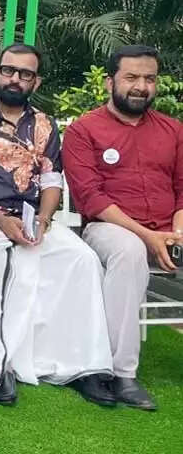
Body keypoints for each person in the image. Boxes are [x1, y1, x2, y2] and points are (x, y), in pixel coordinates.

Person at [0, 43, 114, 407]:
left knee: (82, 259)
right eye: (9, 70)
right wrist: (0, 220)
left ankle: (83, 365)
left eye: (25, 74)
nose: (15, 79)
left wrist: (43, 219)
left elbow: (52, 181)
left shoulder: (44, 124)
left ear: (35, 82)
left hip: (32, 217)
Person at [62, 44, 183, 411]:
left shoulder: (173, 130)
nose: (141, 87)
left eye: (149, 79)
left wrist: (177, 232)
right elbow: (91, 198)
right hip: (108, 229)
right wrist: (149, 236)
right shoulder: (84, 130)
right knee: (129, 251)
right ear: (109, 82)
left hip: (169, 228)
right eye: (131, 77)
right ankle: (121, 373)